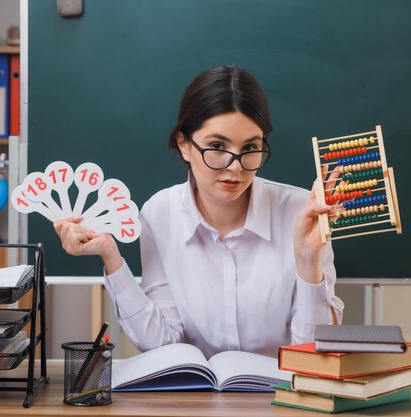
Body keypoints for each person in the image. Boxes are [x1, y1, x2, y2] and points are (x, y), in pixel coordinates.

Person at [54, 65, 344, 359]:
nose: (235, 166)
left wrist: (309, 264)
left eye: (250, 147)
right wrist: (110, 255)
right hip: (196, 401)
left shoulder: (301, 213)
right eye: (217, 146)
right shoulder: (160, 214)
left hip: (279, 398)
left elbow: (311, 354)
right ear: (184, 145)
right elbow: (162, 345)